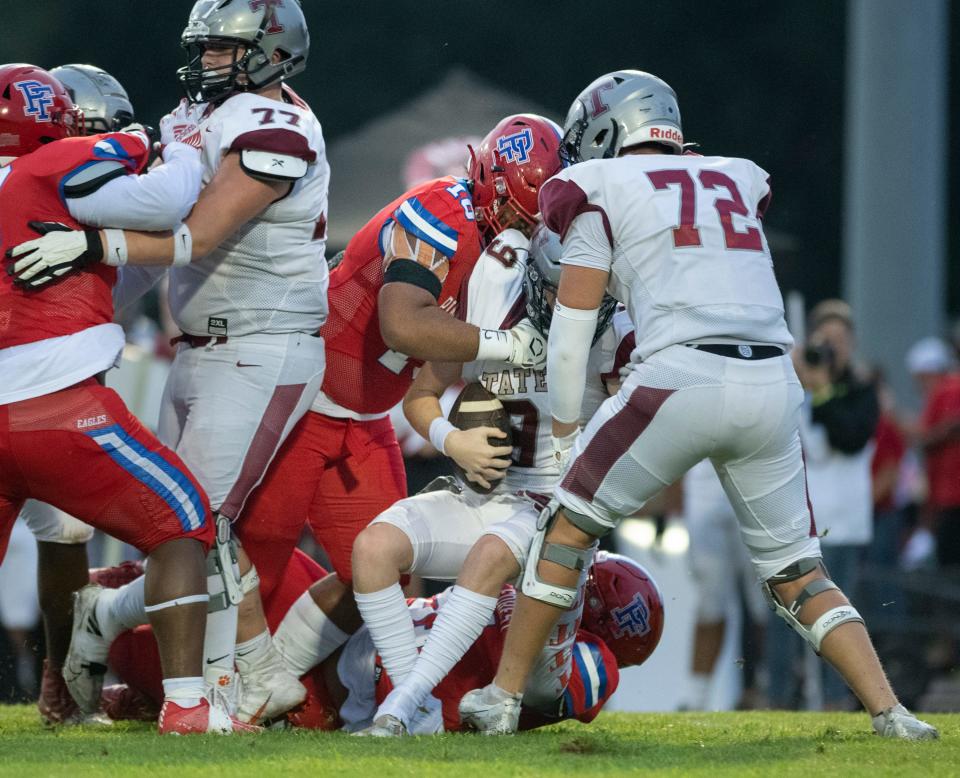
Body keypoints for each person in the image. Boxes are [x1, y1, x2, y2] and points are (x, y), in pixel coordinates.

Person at [457, 69, 938, 740]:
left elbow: (571, 337)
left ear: (604, 130)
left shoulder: (598, 184)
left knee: (564, 528)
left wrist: (567, 437)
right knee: (798, 572)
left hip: (680, 375)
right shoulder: (736, 175)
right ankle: (892, 713)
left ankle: (503, 697)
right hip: (773, 383)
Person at [9, 0, 331, 721]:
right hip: (196, 347)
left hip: (259, 345)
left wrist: (93, 245)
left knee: (196, 521)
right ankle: (255, 675)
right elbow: (155, 239)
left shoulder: (278, 129)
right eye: (204, 46)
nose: (207, 60)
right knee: (171, 523)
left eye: (222, 47)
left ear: (273, 51)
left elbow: (195, 234)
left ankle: (171, 660)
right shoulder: (197, 116)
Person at [229, 114, 561, 721]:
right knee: (256, 568)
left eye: (535, 218)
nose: (524, 229)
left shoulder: (514, 255)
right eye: (515, 212)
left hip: (365, 415)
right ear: (485, 181)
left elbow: (442, 370)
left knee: (383, 573)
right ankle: (144, 649)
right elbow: (403, 324)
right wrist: (507, 346)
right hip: (303, 400)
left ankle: (385, 707)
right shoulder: (439, 211)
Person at [0, 62, 252, 734]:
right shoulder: (52, 167)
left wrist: (92, 246)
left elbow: (116, 279)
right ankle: (188, 705)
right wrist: (157, 142)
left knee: (65, 536)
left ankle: (58, 686)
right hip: (53, 407)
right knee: (183, 519)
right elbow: (166, 201)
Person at [347, 223, 629, 735]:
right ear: (534, 282)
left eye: (593, 287)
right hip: (485, 494)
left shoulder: (613, 332)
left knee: (492, 562)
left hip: (556, 507)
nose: (580, 302)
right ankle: (412, 709)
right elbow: (419, 396)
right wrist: (452, 440)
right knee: (372, 549)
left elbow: (632, 427)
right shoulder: (493, 308)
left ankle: (400, 709)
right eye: (564, 288)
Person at [97, 550, 663, 735]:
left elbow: (574, 687)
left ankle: (135, 672)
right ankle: (119, 601)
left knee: (134, 652)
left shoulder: (593, 662)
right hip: (350, 631)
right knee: (247, 556)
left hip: (343, 694)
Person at [12, 62, 137, 726]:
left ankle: (60, 683)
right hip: (30, 387)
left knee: (64, 530)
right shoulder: (43, 181)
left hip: (42, 387)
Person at [768, 300, 879, 710]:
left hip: (845, 525)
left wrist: (823, 389)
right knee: (788, 616)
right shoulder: (795, 390)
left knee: (840, 615)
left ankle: (837, 700)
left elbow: (848, 437)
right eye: (825, 340)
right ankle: (777, 697)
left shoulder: (863, 390)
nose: (833, 349)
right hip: (799, 523)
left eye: (841, 340)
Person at [679, 460, 768, 711]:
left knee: (765, 598)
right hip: (705, 483)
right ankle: (696, 696)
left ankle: (764, 685)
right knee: (709, 598)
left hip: (758, 477)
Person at [907, 336, 960, 568]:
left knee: (949, 571)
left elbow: (928, 436)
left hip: (951, 497)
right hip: (946, 496)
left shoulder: (946, 390)